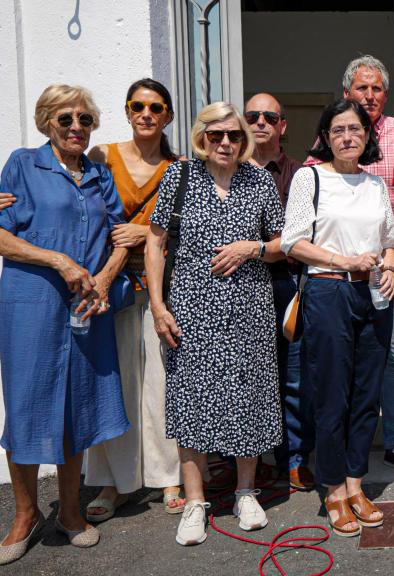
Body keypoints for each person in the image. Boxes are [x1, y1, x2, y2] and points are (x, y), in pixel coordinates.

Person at [0, 84, 131, 563]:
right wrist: (58, 260)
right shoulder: (22, 165)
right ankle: (25, 514)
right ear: (47, 123)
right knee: (26, 404)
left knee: (77, 404)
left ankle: (70, 512)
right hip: (32, 304)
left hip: (84, 306)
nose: (77, 127)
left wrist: (104, 278)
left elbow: (120, 237)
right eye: (66, 119)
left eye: (85, 120)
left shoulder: (98, 174)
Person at [145, 101, 285, 546]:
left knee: (249, 396)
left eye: (234, 135)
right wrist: (158, 305)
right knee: (191, 400)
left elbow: (283, 244)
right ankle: (195, 501)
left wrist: (251, 248)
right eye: (216, 135)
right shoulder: (180, 176)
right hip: (190, 309)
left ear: (244, 140)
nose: (225, 142)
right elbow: (154, 243)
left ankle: (245, 492)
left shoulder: (259, 181)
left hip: (249, 309)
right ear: (201, 137)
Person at [282, 99, 394, 537]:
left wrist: (389, 266)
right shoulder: (310, 178)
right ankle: (332, 489)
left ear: (367, 136)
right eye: (338, 130)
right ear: (325, 138)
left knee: (367, 394)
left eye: (355, 129)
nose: (348, 137)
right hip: (328, 291)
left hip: (372, 294)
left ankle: (355, 484)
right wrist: (344, 261)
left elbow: (388, 241)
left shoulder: (375, 184)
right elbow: (293, 242)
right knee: (332, 395)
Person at [82, 78, 184, 523]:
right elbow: (81, 209)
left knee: (163, 381)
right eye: (138, 106)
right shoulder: (101, 156)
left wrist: (145, 232)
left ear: (168, 116)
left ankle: (170, 477)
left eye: (155, 107)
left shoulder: (181, 168)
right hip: (112, 286)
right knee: (117, 382)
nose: (146, 114)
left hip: (164, 285)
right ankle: (114, 482)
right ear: (127, 111)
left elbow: (190, 227)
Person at [337, 56, 394, 474]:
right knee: (348, 358)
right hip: (343, 271)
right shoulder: (334, 132)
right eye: (361, 88)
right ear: (347, 92)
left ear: (386, 93)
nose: (369, 96)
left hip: (392, 266)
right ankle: (353, 444)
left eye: (376, 88)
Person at [245, 92, 314, 490]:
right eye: (252, 116)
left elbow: (299, 235)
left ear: (282, 125)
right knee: (244, 376)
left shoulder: (299, 174)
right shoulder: (227, 171)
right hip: (237, 287)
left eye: (269, 117)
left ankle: (294, 459)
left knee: (292, 377)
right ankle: (243, 462)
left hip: (285, 285)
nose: (260, 122)